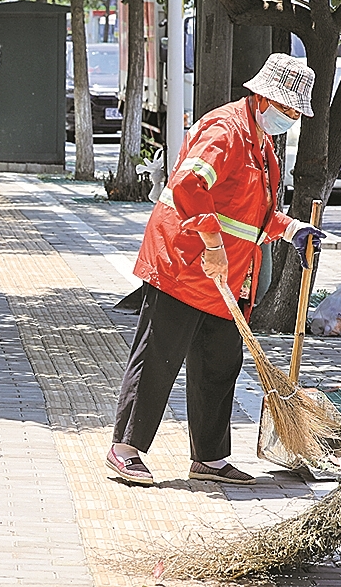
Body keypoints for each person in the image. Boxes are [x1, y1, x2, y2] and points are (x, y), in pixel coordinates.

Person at [107, 53, 324, 486]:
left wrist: (292, 229)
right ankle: (124, 449)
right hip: (183, 263)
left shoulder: (262, 145)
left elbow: (254, 216)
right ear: (263, 98)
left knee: (220, 362)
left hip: (223, 277)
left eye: (298, 113)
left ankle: (209, 458)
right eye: (289, 109)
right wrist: (211, 242)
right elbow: (189, 187)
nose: (293, 118)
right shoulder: (225, 130)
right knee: (158, 356)